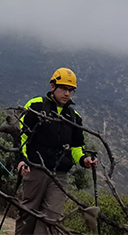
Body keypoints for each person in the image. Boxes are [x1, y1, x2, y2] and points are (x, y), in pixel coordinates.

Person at [14, 68, 97, 235]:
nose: (67, 94)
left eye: (70, 90)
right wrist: (20, 160)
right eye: (64, 89)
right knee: (28, 214)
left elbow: (76, 147)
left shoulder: (74, 117)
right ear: (53, 86)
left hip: (59, 175)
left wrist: (83, 160)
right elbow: (20, 135)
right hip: (35, 169)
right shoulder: (35, 105)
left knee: (52, 218)